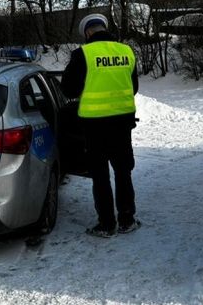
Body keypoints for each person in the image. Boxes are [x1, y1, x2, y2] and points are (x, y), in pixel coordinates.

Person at [61, 13, 140, 238]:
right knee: (124, 172)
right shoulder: (126, 52)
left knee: (100, 175)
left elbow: (69, 90)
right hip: (122, 125)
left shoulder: (83, 54)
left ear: (87, 32)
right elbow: (133, 87)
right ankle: (127, 219)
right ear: (104, 28)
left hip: (94, 128)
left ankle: (107, 224)